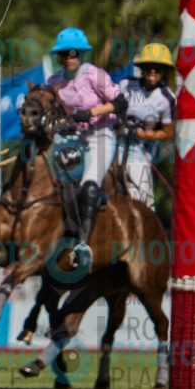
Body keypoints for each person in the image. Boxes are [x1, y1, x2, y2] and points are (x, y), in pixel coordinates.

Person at [47, 28, 128, 262]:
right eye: (64, 53)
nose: (68, 57)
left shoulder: (95, 75)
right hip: (72, 138)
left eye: (73, 52)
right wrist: (61, 122)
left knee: (89, 185)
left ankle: (83, 245)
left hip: (101, 135)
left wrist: (91, 113)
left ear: (81, 54)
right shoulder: (54, 82)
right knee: (53, 181)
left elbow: (120, 103)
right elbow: (55, 113)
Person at [116, 43, 176, 209]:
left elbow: (167, 134)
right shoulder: (125, 84)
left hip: (139, 150)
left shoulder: (167, 98)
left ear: (165, 71)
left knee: (143, 202)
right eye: (149, 67)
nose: (153, 71)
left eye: (158, 68)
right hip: (113, 141)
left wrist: (138, 133)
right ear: (142, 68)